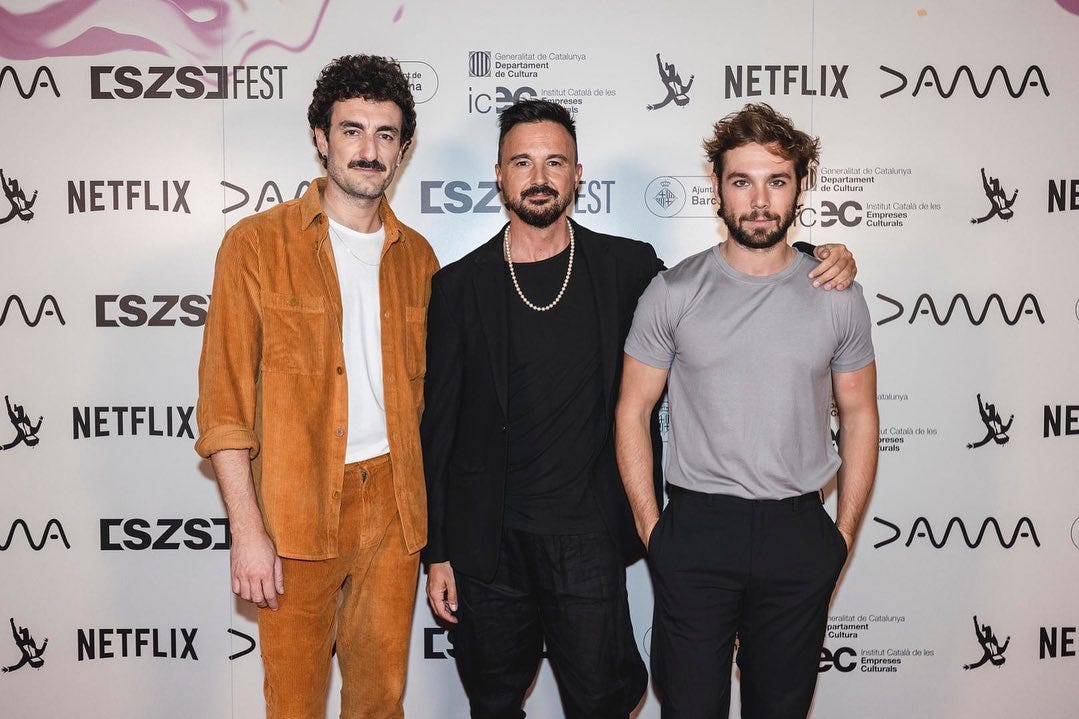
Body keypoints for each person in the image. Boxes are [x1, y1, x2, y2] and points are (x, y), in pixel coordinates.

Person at [421, 99, 857, 719]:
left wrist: (820, 252)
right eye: (522, 162)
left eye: (555, 161)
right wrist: (439, 550)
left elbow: (748, 266)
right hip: (487, 548)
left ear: (578, 174)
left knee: (606, 702)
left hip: (587, 540)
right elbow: (438, 428)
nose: (539, 176)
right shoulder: (458, 286)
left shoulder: (628, 269)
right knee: (492, 702)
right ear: (498, 174)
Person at [616, 103, 879, 718]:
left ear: (800, 187)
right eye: (742, 181)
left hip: (798, 534)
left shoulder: (837, 295)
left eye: (777, 180)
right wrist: (656, 534)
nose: (760, 200)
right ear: (717, 186)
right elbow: (632, 411)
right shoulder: (673, 291)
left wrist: (838, 539)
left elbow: (860, 416)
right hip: (697, 534)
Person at [194, 55, 438, 719]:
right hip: (294, 510)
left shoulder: (418, 257)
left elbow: (432, 405)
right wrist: (247, 529)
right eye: (352, 130)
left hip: (393, 508)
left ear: (403, 149)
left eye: (386, 134)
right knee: (294, 703)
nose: (369, 149)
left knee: (379, 701)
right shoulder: (255, 245)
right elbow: (222, 404)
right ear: (321, 138)